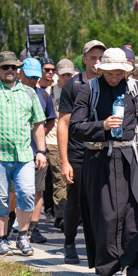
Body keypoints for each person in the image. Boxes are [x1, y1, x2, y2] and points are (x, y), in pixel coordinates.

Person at [70, 48, 138, 276]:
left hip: (131, 158)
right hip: (100, 159)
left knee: (136, 214)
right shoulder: (88, 90)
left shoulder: (135, 89)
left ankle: (135, 266)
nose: (114, 77)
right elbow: (75, 128)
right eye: (110, 73)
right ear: (100, 69)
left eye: (119, 72)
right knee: (106, 215)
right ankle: (106, 269)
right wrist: (103, 125)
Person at [0, 51, 48, 256]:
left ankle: (22, 236)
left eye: (14, 67)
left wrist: (41, 151)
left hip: (24, 156)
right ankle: (2, 239)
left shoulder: (29, 93)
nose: (11, 71)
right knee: (1, 200)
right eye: (6, 67)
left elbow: (38, 123)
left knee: (27, 194)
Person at [58, 40, 106, 264]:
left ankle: (96, 247)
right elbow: (63, 124)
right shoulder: (73, 85)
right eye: (93, 57)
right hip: (78, 152)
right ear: (84, 59)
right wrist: (64, 161)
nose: (97, 62)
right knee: (75, 201)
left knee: (100, 202)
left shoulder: (110, 81)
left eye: (100, 57)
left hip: (102, 151)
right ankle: (69, 243)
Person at [19, 58, 57, 244]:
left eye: (36, 77)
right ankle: (14, 224)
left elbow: (50, 119)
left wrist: (39, 136)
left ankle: (32, 228)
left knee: (37, 191)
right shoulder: (14, 93)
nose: (33, 80)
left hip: (36, 152)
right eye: (29, 76)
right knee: (14, 191)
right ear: (21, 74)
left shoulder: (43, 95)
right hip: (14, 151)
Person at [47, 58, 76, 229]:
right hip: (53, 140)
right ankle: (61, 215)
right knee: (59, 178)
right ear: (57, 74)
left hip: (73, 140)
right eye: (64, 75)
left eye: (69, 75)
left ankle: (70, 212)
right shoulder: (50, 92)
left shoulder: (76, 90)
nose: (67, 78)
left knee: (72, 179)